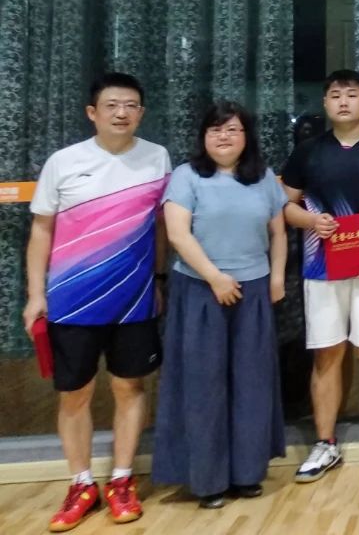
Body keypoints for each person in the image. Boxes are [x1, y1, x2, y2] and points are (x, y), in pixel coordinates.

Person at [23, 73, 171, 531]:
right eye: (111, 105)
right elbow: (41, 230)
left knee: (129, 388)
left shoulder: (157, 158)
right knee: (75, 394)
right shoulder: (63, 162)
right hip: (71, 300)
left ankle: (122, 480)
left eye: (130, 106)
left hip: (135, 300)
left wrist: (159, 278)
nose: (121, 113)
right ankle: (81, 484)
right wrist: (35, 294)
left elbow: (160, 227)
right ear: (93, 112)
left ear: (141, 113)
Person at [152, 102, 288, 509]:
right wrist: (214, 277)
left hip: (254, 290)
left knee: (252, 383)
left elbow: (279, 232)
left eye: (232, 129)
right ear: (203, 137)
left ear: (247, 136)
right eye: (215, 129)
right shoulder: (186, 176)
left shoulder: (263, 177)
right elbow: (178, 234)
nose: (223, 136)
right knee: (202, 385)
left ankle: (246, 474)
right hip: (200, 290)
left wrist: (277, 278)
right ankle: (207, 481)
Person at [281, 70, 359, 483]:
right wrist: (310, 221)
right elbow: (284, 206)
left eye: (351, 94)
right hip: (320, 269)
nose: (342, 101)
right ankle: (326, 444)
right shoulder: (307, 152)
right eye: (334, 94)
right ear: (325, 103)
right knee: (327, 354)